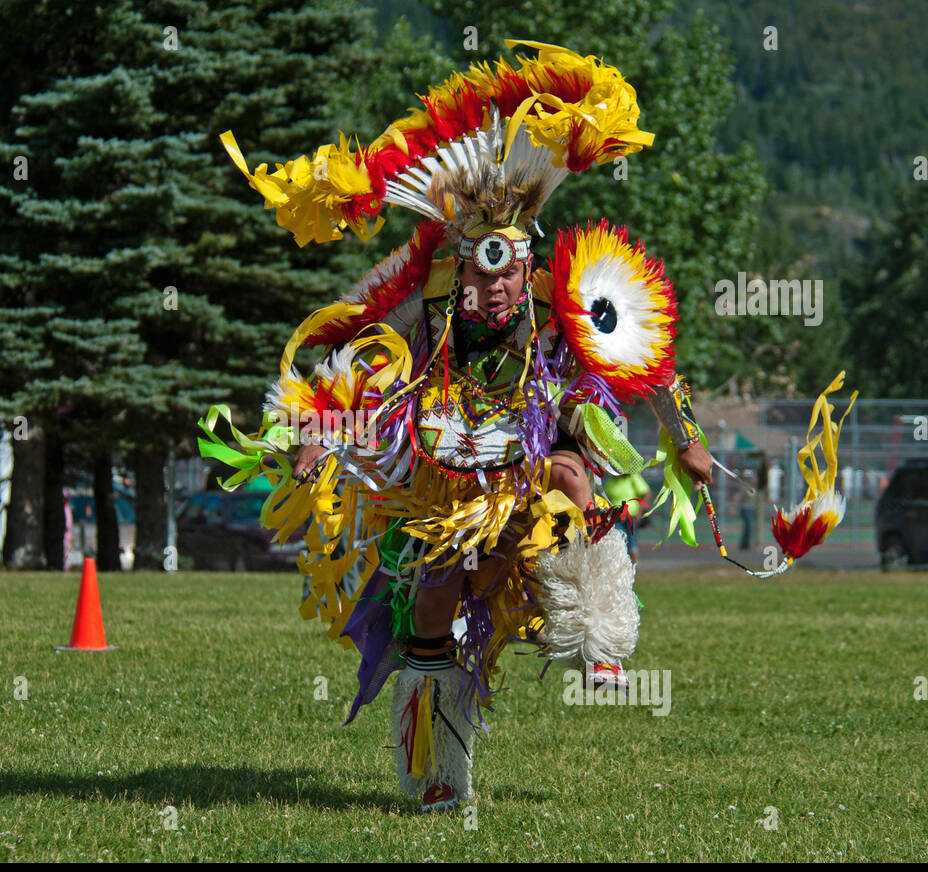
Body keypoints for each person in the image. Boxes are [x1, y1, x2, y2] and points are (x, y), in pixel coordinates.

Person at [208, 41, 715, 811]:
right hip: (445, 490)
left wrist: (686, 438)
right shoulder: (427, 298)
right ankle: (440, 773)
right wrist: (315, 428)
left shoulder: (557, 300)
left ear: (525, 263)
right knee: (433, 607)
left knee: (574, 479)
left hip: (533, 470)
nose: (494, 287)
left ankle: (599, 637)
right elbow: (349, 352)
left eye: (506, 271)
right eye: (482, 272)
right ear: (462, 262)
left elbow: (645, 358)